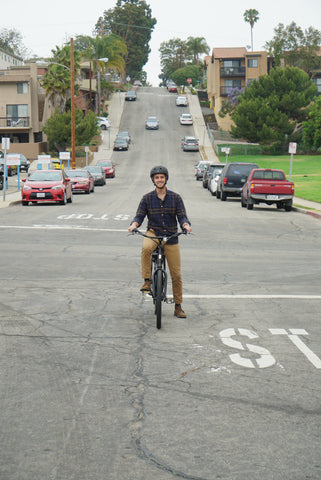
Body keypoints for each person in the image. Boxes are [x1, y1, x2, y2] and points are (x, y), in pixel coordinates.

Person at [128, 165, 192, 319]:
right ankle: (147, 281)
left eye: (162, 177)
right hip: (154, 233)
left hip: (171, 236)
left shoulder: (175, 198)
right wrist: (134, 225)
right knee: (146, 248)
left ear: (166, 179)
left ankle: (178, 306)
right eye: (157, 177)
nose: (159, 180)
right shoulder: (147, 198)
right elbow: (139, 216)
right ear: (153, 180)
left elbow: (182, 216)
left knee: (176, 274)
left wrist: (185, 225)